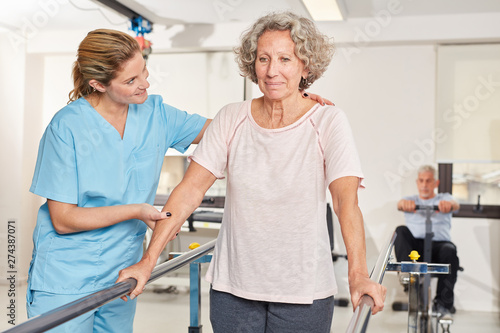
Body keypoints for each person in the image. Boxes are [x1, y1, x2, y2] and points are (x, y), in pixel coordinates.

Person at [27, 28, 330, 332]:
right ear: (98, 84)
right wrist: (135, 210)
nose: (144, 84)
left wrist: (291, 106)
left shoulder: (155, 113)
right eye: (130, 81)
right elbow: (63, 219)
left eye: (143, 72)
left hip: (122, 271)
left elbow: (233, 128)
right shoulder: (66, 128)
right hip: (65, 277)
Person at [119, 11, 386, 332]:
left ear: (306, 65)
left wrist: (357, 275)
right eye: (264, 58)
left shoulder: (328, 121)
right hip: (233, 291)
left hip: (304, 292)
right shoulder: (231, 118)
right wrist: (148, 262)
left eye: (285, 59)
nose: (272, 70)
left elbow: (346, 202)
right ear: (252, 63)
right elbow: (189, 191)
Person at [395, 165, 460, 318]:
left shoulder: (444, 198)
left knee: (449, 251)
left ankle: (443, 305)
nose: (424, 185)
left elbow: (456, 205)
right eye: (422, 181)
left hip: (439, 247)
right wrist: (404, 204)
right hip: (416, 250)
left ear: (435, 183)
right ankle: (408, 277)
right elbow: (399, 204)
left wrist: (448, 206)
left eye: (428, 181)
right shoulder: (411, 199)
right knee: (400, 231)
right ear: (417, 182)